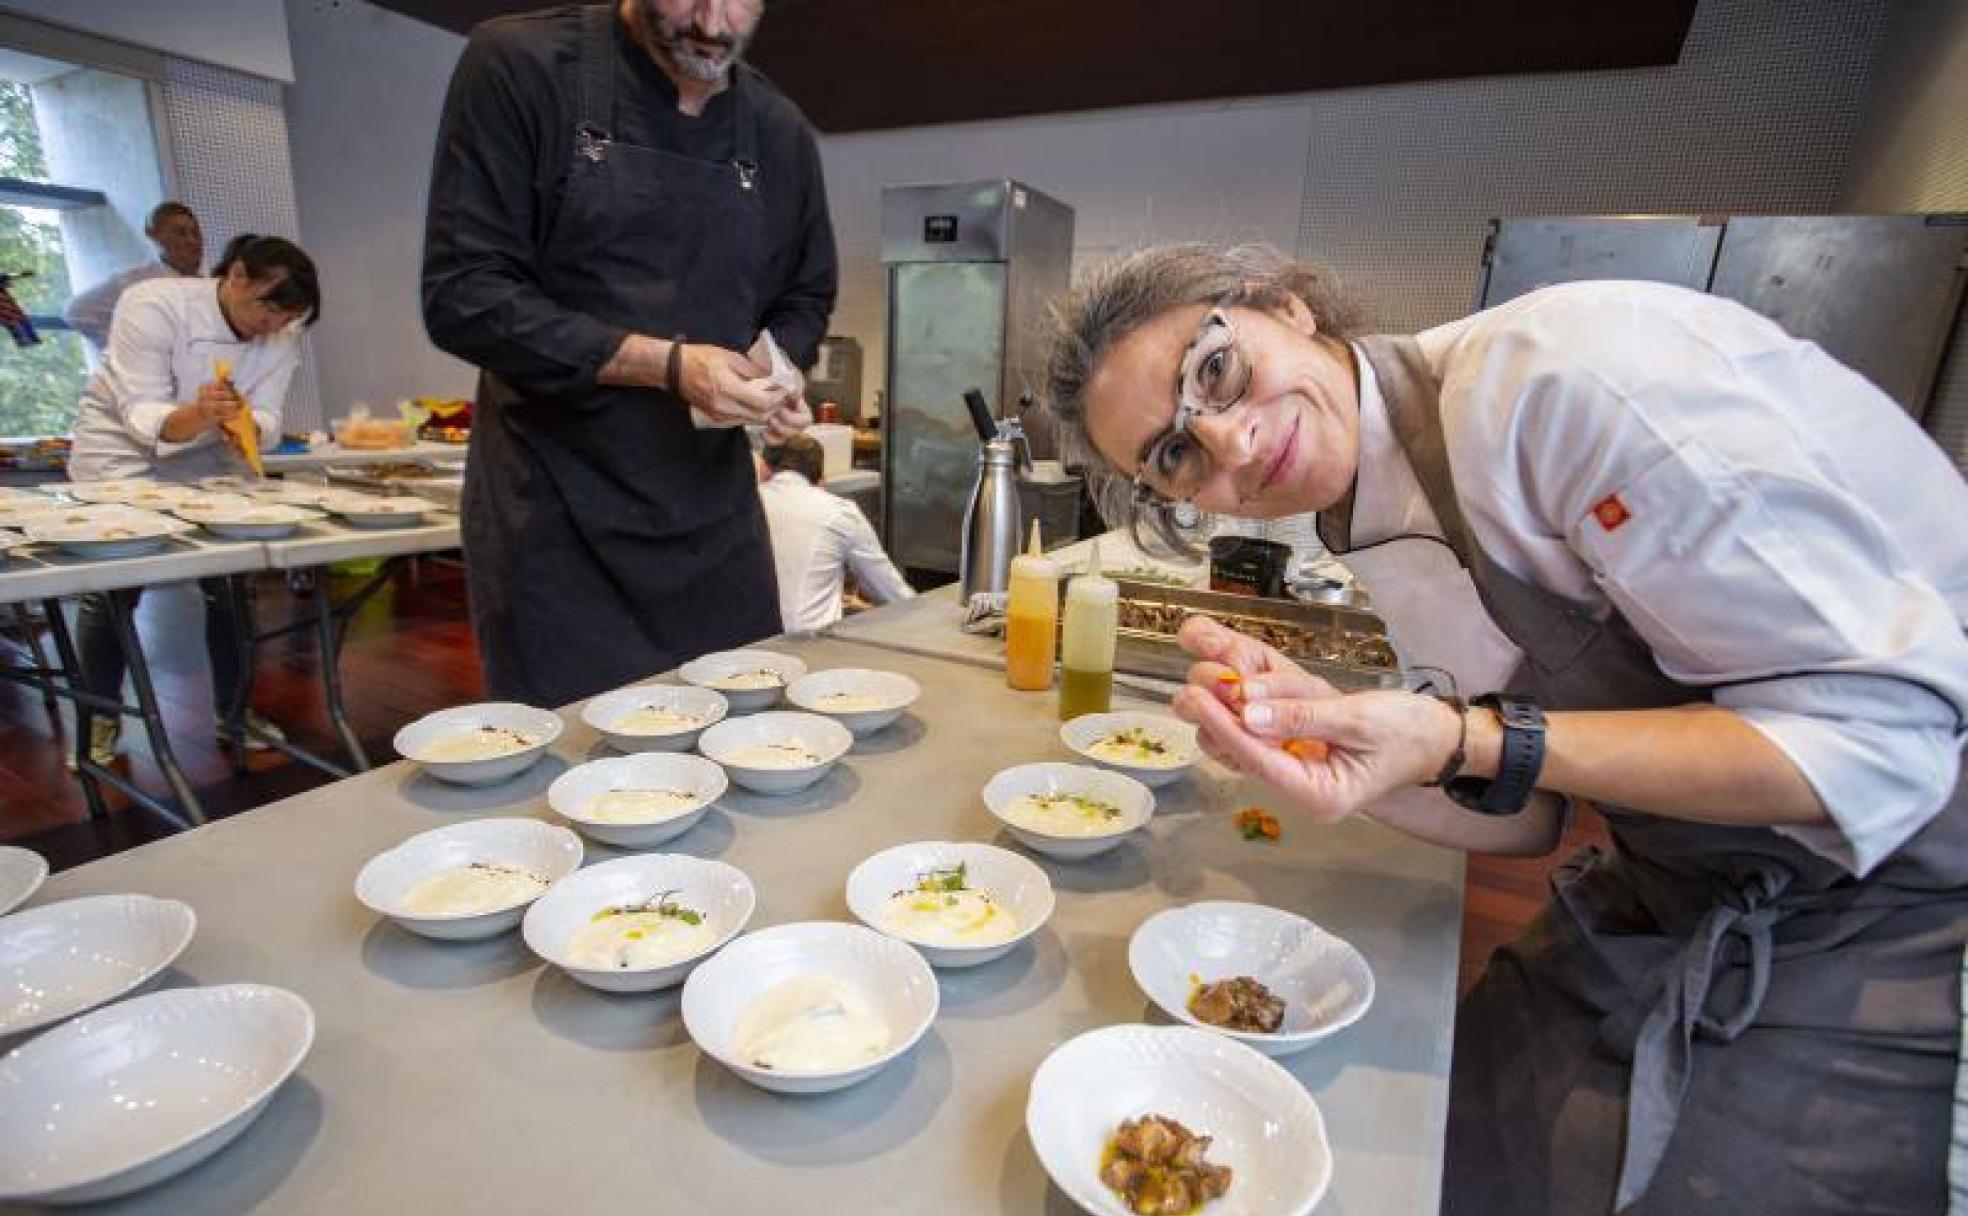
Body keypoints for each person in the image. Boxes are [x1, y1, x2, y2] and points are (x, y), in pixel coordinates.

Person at [1044, 242, 1968, 1215]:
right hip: (1678, 880)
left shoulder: (1558, 382)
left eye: (1216, 372)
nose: (1228, 444)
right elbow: (1533, 817)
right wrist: (1327, 746)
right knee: (1463, 1125)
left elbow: (1881, 742)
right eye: (1176, 455)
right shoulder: (1372, 502)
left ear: (1283, 306)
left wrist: (1466, 739)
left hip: (1902, 894)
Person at [421, 0, 837, 706]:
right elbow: (463, 295)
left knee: (745, 725)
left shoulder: (779, 130)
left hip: (712, 514)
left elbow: (805, 295)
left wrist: (775, 369)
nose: (712, 20)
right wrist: (669, 365)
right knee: (577, 766)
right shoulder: (521, 67)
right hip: (556, 516)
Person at [68, 236, 321, 764]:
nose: (273, 326)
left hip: (208, 453)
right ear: (237, 277)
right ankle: (99, 719)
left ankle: (235, 711)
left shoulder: (282, 334)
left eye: (288, 317)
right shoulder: (155, 303)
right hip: (120, 449)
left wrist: (246, 426)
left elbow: (268, 420)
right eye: (268, 308)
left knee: (230, 581)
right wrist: (201, 414)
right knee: (111, 586)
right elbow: (141, 412)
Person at [756, 434, 913, 631]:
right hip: (809, 645)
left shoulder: (744, 504)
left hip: (739, 644)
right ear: (821, 480)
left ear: (763, 469)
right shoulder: (839, 511)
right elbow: (893, 594)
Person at [62, 202, 204, 350]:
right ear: (155, 236)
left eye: (196, 233)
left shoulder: (210, 286)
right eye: (180, 233)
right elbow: (77, 312)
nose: (192, 241)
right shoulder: (136, 282)